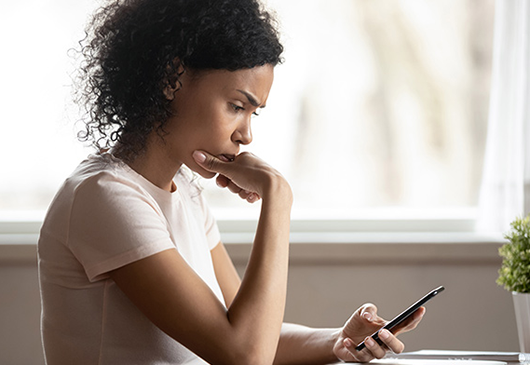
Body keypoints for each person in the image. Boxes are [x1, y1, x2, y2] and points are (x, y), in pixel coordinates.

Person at [38, 0, 425, 364]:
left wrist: (338, 340)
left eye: (254, 113)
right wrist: (278, 197)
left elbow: (246, 331)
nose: (246, 135)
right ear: (172, 78)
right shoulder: (105, 197)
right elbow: (244, 354)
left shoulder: (185, 193)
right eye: (237, 107)